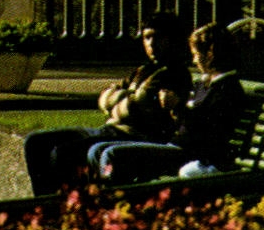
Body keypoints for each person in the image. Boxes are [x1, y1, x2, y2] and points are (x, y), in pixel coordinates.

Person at [21, 11, 192, 195]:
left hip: (133, 136)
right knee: (35, 141)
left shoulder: (174, 73)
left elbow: (131, 109)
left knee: (64, 153)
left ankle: (66, 207)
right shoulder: (142, 70)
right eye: (147, 38)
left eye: (158, 37)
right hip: (108, 129)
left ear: (172, 40)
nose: (151, 44)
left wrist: (117, 100)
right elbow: (104, 98)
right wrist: (123, 99)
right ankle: (42, 202)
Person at [86, 21, 254, 185]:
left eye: (196, 54)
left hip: (191, 153)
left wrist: (177, 107)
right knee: (97, 150)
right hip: (176, 144)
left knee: (112, 154)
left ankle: (117, 198)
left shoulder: (227, 89)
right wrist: (175, 110)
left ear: (210, 54)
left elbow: (208, 131)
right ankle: (103, 193)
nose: (194, 60)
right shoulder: (206, 84)